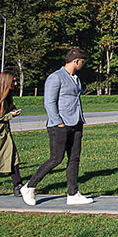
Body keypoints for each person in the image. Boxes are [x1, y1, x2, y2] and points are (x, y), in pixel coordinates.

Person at [23, 48, 93, 207]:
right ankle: (29, 187)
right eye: (82, 62)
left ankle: (73, 194)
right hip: (60, 125)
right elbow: (49, 102)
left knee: (74, 159)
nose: (83, 64)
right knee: (56, 159)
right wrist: (58, 122)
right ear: (76, 61)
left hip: (76, 123)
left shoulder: (75, 78)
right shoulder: (56, 77)